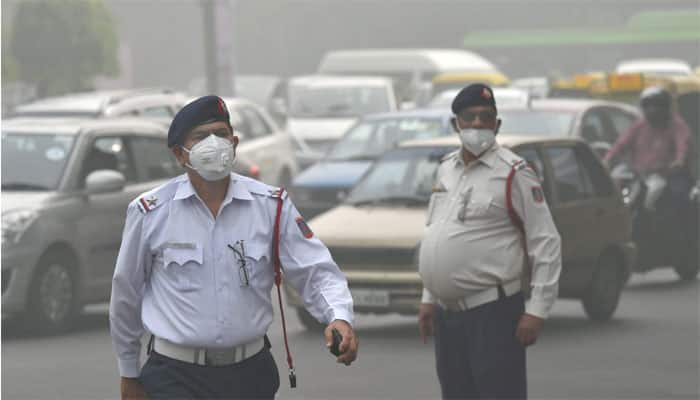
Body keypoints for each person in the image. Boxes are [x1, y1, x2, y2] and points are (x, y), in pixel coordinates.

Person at [110, 95, 358, 400]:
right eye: (201, 137)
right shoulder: (150, 212)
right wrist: (128, 372)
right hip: (174, 376)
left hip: (250, 373)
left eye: (221, 134)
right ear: (180, 154)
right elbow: (126, 295)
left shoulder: (271, 205)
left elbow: (315, 271)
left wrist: (338, 316)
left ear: (235, 142)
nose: (214, 144)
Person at [417, 83, 562, 399]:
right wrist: (430, 297)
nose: (479, 124)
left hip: (493, 313)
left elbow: (546, 241)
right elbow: (436, 231)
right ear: (457, 124)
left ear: (497, 125)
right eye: (471, 117)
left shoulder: (514, 172)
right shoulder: (446, 169)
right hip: (448, 315)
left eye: (487, 117)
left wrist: (537, 309)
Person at [604, 86, 691, 210]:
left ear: (665, 107)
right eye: (648, 106)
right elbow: (620, 144)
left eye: (656, 106)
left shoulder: (676, 125)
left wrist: (679, 160)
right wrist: (607, 160)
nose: (652, 110)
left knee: (679, 195)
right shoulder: (639, 125)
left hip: (666, 174)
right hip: (638, 174)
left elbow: (682, 144)